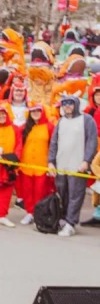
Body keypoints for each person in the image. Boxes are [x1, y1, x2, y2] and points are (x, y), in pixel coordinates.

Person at [48, 95, 98, 236]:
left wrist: (86, 161)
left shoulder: (86, 120)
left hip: (78, 166)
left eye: (70, 103)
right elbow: (54, 143)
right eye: (65, 103)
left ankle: (71, 222)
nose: (67, 106)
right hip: (61, 165)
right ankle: (64, 218)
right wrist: (51, 161)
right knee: (63, 193)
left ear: (76, 104)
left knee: (76, 195)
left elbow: (92, 142)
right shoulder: (61, 121)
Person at [18, 104, 54, 226]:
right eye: (33, 111)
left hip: (42, 166)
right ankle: (29, 212)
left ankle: (39, 214)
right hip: (26, 165)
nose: (35, 113)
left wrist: (52, 163)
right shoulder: (25, 127)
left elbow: (54, 146)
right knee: (27, 191)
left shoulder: (49, 127)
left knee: (40, 191)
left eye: (38, 111)